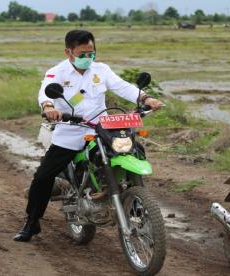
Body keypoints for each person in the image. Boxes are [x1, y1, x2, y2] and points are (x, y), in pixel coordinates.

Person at [14, 30, 164, 242]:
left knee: (135, 150)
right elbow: (45, 92)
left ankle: (131, 200)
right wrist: (48, 106)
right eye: (83, 54)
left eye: (91, 53)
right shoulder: (57, 72)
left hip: (100, 129)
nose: (88, 57)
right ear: (69, 52)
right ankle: (32, 221)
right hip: (70, 132)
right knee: (43, 177)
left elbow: (123, 87)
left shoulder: (101, 70)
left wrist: (146, 98)